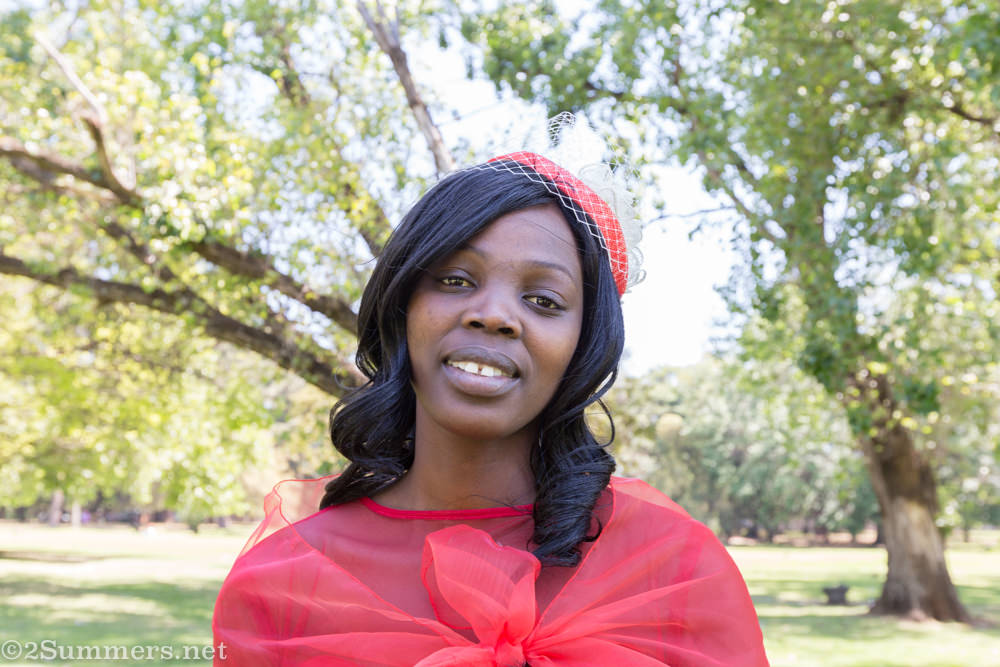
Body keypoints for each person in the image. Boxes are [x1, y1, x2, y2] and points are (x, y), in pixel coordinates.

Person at [212, 118, 769, 666]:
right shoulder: (280, 585)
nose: (495, 315)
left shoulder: (672, 568)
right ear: (401, 306)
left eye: (544, 300)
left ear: (584, 344)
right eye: (456, 281)